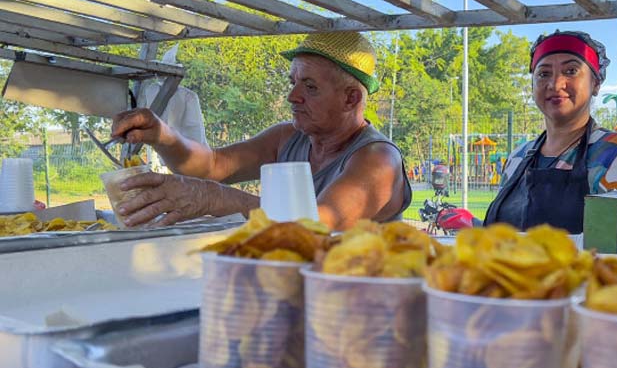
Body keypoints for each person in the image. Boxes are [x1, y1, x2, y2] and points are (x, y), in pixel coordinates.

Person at [110, 31, 412, 231]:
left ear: (351, 99)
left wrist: (215, 199)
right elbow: (212, 166)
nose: (292, 96)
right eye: (293, 82)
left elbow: (315, 226)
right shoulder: (287, 138)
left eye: (310, 87)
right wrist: (162, 135)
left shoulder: (378, 160)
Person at [484, 30, 617, 233]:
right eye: (544, 74)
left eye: (571, 71)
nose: (556, 84)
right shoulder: (517, 158)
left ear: (596, 83)